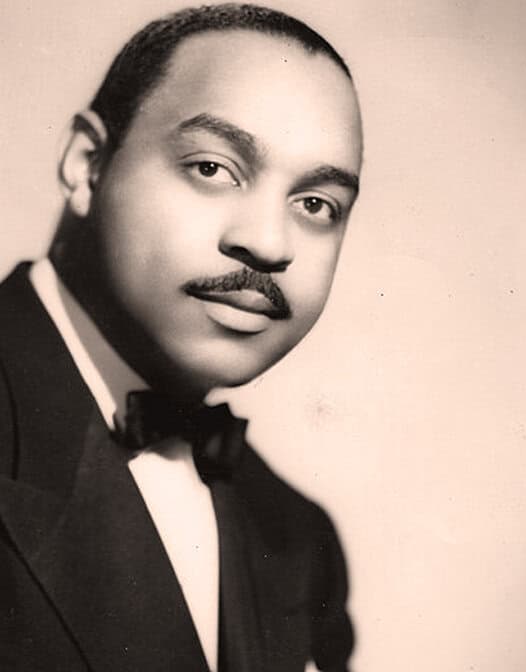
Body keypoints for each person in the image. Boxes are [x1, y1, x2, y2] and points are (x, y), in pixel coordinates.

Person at [0, 5, 363, 671]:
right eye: (212, 168)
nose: (267, 243)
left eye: (316, 205)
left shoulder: (299, 540)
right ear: (87, 164)